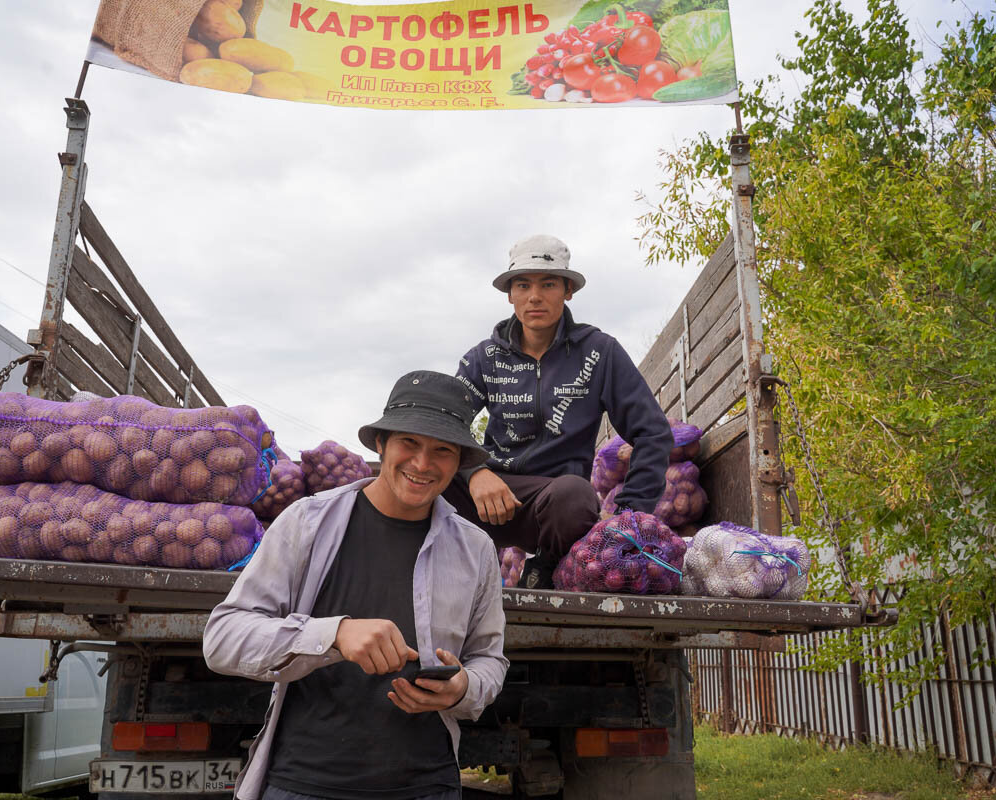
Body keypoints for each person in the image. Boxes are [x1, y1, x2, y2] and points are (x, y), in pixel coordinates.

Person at [203, 370, 508, 800]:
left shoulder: (475, 550)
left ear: (458, 462)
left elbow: (489, 660)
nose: (423, 464)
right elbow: (223, 639)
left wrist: (463, 688)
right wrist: (335, 634)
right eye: (409, 444)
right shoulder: (307, 522)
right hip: (303, 784)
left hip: (428, 786)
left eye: (442, 450)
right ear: (381, 445)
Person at [444, 234, 673, 589]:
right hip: (490, 493)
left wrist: (627, 515)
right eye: (523, 285)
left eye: (548, 284)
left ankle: (546, 568)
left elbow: (653, 433)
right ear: (510, 294)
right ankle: (454, 572)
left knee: (576, 495)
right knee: (424, 475)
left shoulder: (599, 353)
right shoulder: (483, 357)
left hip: (554, 502)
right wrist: (474, 472)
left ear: (568, 290)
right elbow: (445, 420)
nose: (535, 296)